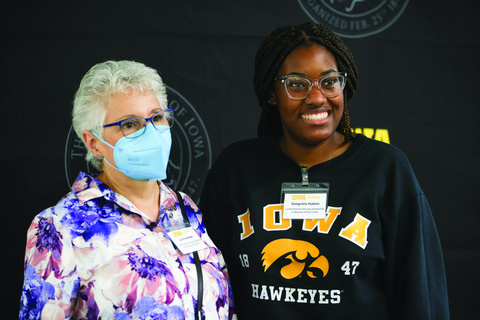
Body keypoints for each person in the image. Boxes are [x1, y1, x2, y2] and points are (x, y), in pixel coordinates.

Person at [200, 23, 449, 319]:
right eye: (297, 84)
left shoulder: (385, 170)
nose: (317, 97)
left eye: (329, 82)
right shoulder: (236, 169)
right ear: (271, 94)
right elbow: (206, 283)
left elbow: (421, 295)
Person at [19, 60, 235, 320]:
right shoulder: (59, 227)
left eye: (156, 117)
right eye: (130, 124)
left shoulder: (183, 207)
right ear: (93, 142)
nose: (151, 133)